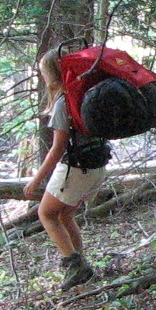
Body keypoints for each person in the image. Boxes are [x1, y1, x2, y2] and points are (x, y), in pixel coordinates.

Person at [26, 46, 108, 287]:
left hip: (76, 167)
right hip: (96, 166)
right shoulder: (86, 94)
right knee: (65, 214)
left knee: (46, 214)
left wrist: (36, 179)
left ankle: (73, 265)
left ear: (51, 75)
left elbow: (58, 147)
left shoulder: (64, 102)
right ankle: (82, 264)